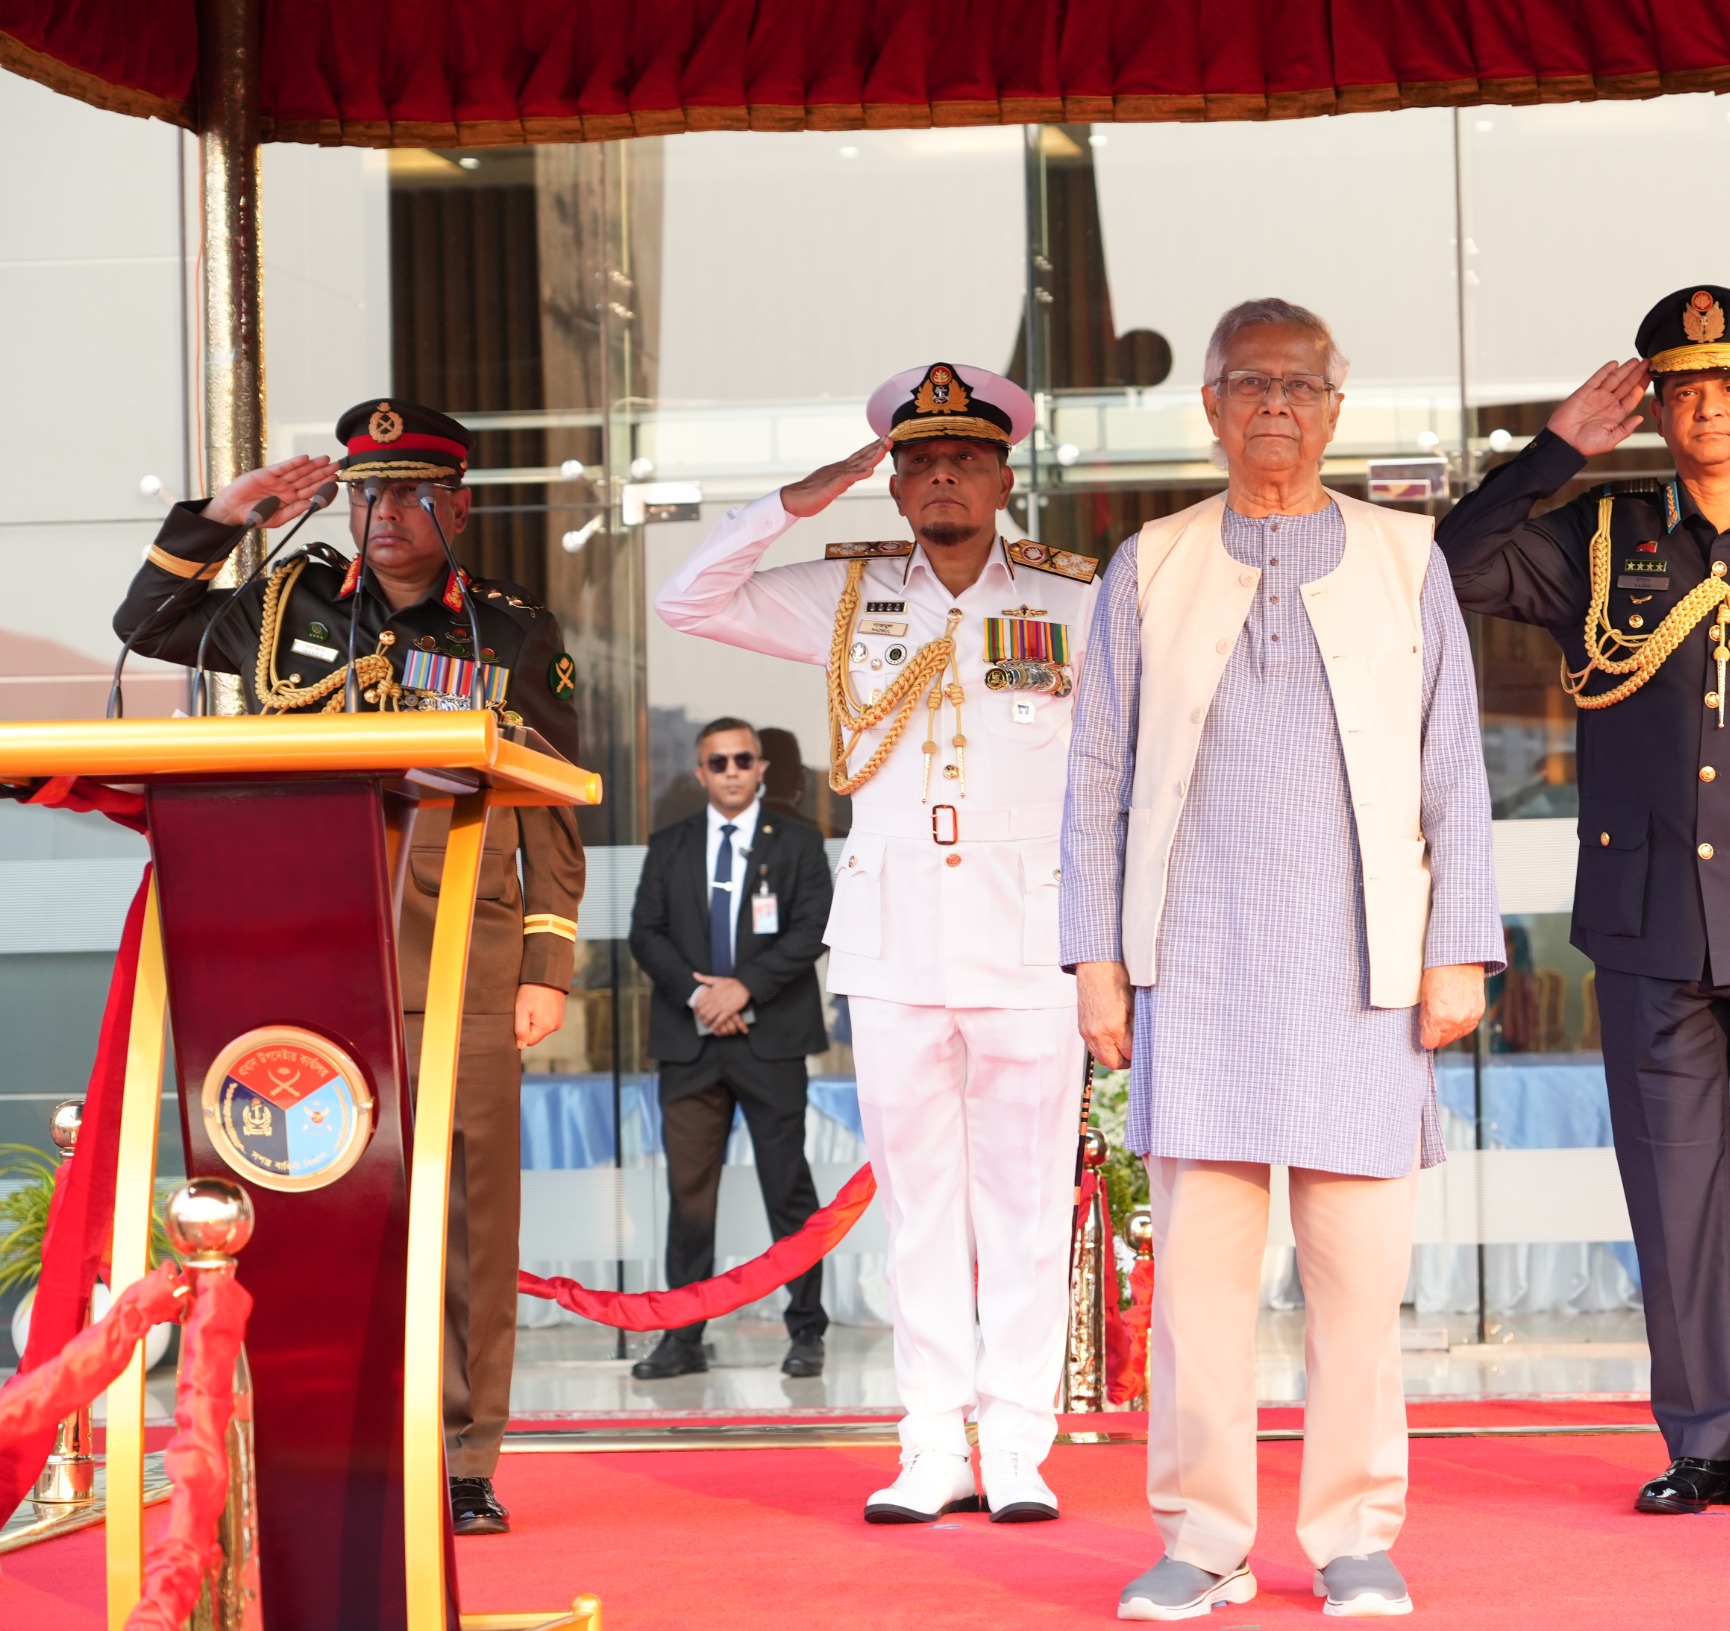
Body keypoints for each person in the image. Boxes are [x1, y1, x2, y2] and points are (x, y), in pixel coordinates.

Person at [1435, 286, 1730, 1517]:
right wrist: (1555, 451)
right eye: (1681, 386)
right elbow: (1452, 563)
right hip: (1649, 918)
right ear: (1653, 404)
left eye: (1728, 384)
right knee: (1672, 1193)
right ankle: (1696, 1439)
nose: (1706, 405)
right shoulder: (1598, 537)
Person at [1063, 297, 1504, 1621]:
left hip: (1363, 973)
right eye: (1248, 382)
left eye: (1299, 384)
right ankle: (1201, 1537)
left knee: (1360, 1287)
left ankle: (1356, 1533)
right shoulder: (1146, 563)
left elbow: (1454, 771)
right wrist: (1095, 957)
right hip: (1195, 973)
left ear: (1336, 404)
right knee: (1200, 1294)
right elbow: (1093, 776)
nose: (1274, 404)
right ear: (1207, 405)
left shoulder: (1404, 556)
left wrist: (1459, 951)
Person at [111, 397, 586, 1537]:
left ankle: (464, 1451)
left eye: (413, 491)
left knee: (468, 1211)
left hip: (459, 950)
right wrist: (230, 513)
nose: (384, 513)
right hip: (301, 950)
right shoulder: (288, 604)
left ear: (458, 507)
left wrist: (547, 964)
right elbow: (151, 615)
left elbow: (553, 810)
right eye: (368, 491)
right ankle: (324, 1434)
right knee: (309, 1196)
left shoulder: (513, 634)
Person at [656, 362, 1096, 1524]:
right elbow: (687, 599)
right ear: (893, 483)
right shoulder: (844, 593)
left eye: (963, 457)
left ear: (1004, 474)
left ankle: (1014, 1442)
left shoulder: (1076, 596)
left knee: (1024, 1198)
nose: (939, 475)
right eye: (916, 461)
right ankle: (926, 1440)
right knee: (917, 1199)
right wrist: (804, 497)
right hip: (896, 938)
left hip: (1032, 934)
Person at [624, 717, 838, 1380]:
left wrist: (743, 990)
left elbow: (813, 930)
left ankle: (806, 1331)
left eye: (744, 759)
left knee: (788, 1192)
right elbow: (645, 934)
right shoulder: (671, 844)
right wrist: (702, 999)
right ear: (701, 773)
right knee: (690, 1197)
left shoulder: (800, 843)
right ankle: (682, 1338)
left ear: (762, 767)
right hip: (691, 1047)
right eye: (719, 762)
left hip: (769, 1041)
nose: (733, 770)